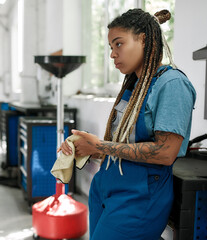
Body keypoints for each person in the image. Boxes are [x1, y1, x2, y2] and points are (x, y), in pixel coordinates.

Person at [58, 9, 196, 240]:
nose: (112, 54)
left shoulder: (172, 85)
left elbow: (166, 153)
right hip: (106, 188)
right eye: (111, 47)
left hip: (138, 199)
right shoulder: (133, 87)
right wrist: (86, 149)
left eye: (118, 44)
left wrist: (101, 146)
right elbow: (123, 144)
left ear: (143, 39)